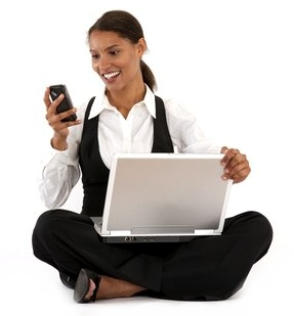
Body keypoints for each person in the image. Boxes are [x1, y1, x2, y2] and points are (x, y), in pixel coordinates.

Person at [32, 10, 273, 303]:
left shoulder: (171, 112)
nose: (103, 65)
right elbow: (52, 199)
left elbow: (213, 160)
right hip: (102, 241)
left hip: (166, 240)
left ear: (140, 48)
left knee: (257, 226)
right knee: (48, 228)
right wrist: (60, 140)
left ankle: (120, 285)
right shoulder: (80, 119)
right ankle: (189, 278)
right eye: (95, 56)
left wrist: (234, 165)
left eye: (113, 52)